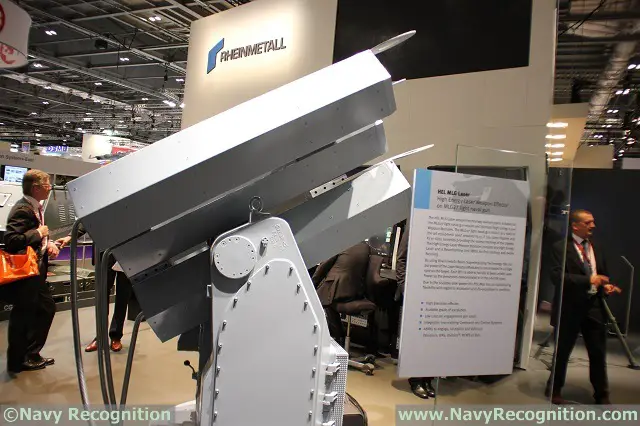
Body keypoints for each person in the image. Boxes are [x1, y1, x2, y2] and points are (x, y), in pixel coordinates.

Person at [547, 209, 621, 405]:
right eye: (588, 222)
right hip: (570, 307)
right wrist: (588, 280)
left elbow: (602, 274)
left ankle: (602, 394)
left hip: (594, 306)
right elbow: (557, 277)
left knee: (598, 352)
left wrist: (606, 286)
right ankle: (554, 389)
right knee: (563, 351)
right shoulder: (560, 248)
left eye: (593, 222)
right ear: (575, 226)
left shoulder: (597, 247)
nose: (593, 226)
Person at [1, 169, 59, 374]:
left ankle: (29, 355)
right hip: (27, 273)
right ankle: (20, 360)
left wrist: (47, 243)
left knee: (41, 310)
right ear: (35, 188)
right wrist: (38, 233)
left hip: (35, 271)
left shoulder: (34, 207)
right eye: (47, 185)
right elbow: (12, 240)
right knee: (25, 314)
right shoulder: (23, 209)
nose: (50, 188)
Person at [57, 235, 132, 352]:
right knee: (101, 295)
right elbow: (88, 223)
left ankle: (116, 336)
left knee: (123, 295)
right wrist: (70, 236)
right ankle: (100, 336)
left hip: (127, 249)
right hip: (104, 248)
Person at [395, 225, 436, 399]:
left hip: (436, 290)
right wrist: (405, 288)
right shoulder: (416, 225)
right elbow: (401, 259)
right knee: (418, 339)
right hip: (417, 290)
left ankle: (428, 379)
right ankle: (416, 380)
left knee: (433, 340)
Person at [312, 242, 371, 345]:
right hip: (356, 292)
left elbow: (323, 267)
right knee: (326, 299)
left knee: (315, 299)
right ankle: (337, 337)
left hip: (338, 289)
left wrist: (311, 284)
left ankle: (335, 337)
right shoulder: (365, 246)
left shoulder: (341, 244)